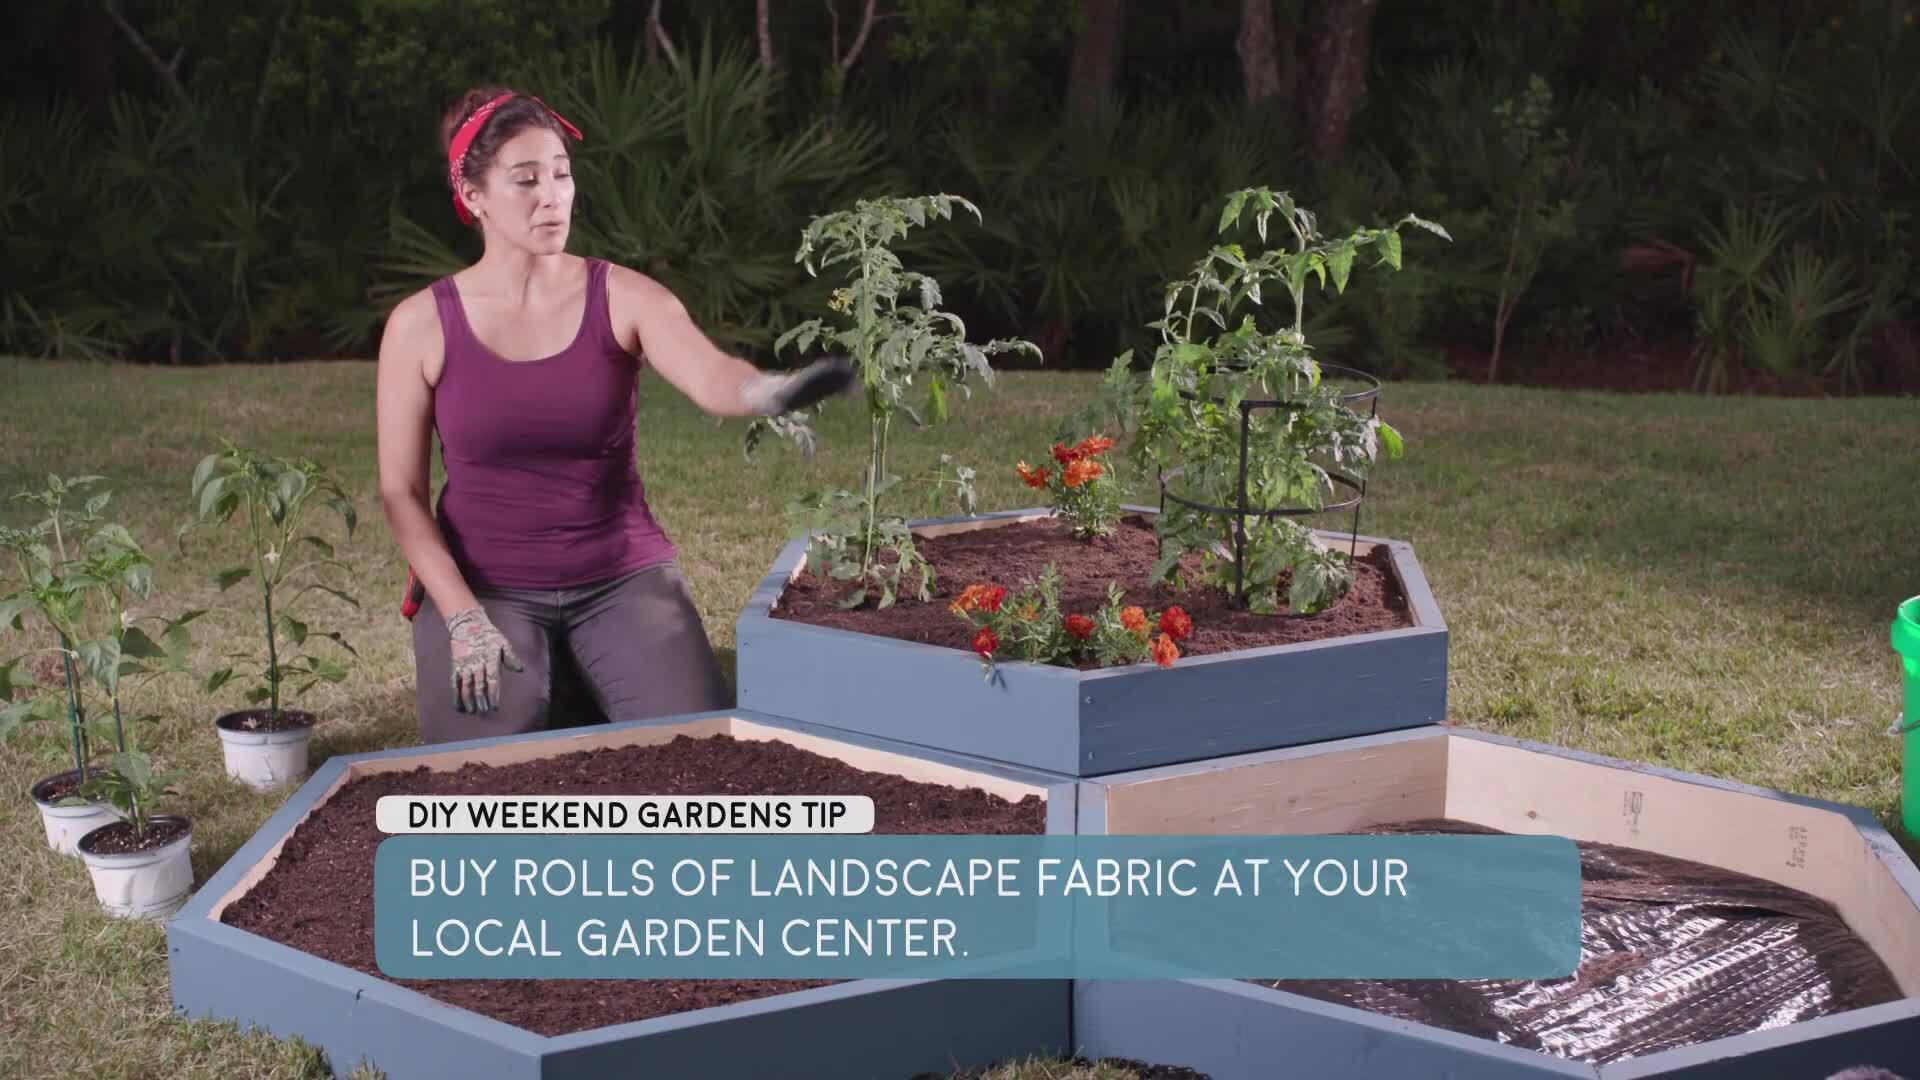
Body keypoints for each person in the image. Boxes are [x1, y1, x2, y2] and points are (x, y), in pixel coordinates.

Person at [375, 86, 851, 744]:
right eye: (527, 180)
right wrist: (459, 615)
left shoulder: (621, 295)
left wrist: (766, 392)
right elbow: (400, 493)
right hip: (485, 586)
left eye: (563, 174)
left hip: (619, 577)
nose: (553, 195)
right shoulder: (420, 325)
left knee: (700, 759)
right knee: (483, 788)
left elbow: (712, 375)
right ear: (474, 196)